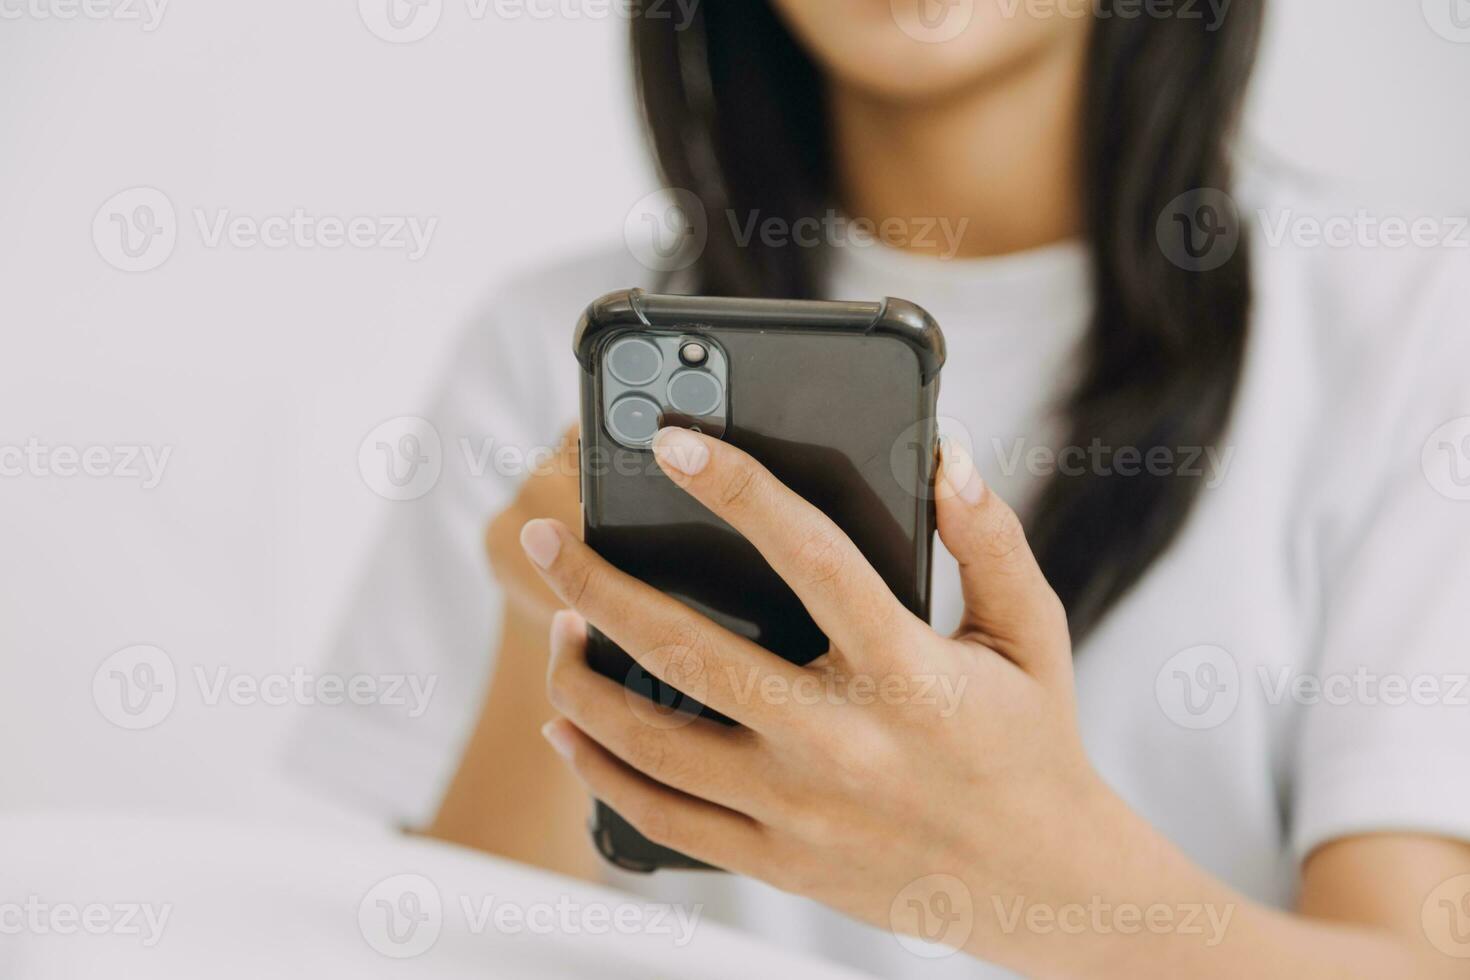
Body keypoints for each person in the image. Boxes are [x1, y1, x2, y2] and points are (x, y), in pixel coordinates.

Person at [291, 2, 1470, 975]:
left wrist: (1029, 875)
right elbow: (455, 946)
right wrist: (547, 623)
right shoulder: (555, 347)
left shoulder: (1407, 329)